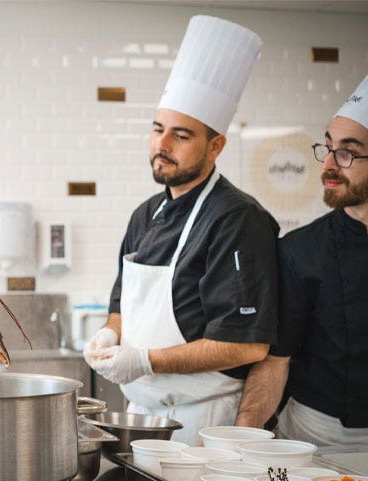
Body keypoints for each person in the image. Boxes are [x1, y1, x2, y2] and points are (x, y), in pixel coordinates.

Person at [83, 15, 280, 446]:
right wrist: (109, 334)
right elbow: (121, 307)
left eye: (181, 135)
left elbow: (246, 347)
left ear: (216, 146)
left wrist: (145, 361)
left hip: (206, 424)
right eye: (157, 129)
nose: (162, 145)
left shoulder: (239, 220)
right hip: (143, 416)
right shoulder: (144, 215)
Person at [235, 74, 368, 446]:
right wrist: (245, 430)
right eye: (327, 148)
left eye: (347, 151)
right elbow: (276, 360)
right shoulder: (300, 251)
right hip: (317, 438)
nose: (328, 163)